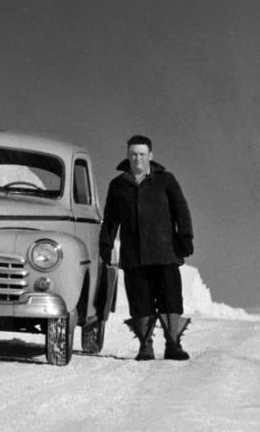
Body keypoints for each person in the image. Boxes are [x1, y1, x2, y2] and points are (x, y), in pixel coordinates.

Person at [99, 134, 195, 361]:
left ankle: (174, 344)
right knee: (140, 300)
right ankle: (145, 346)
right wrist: (105, 243)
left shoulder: (166, 180)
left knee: (171, 299)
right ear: (128, 156)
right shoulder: (118, 185)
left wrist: (186, 237)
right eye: (133, 154)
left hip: (165, 252)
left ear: (150, 155)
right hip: (134, 255)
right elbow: (111, 219)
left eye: (142, 154)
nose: (138, 159)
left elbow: (181, 209)